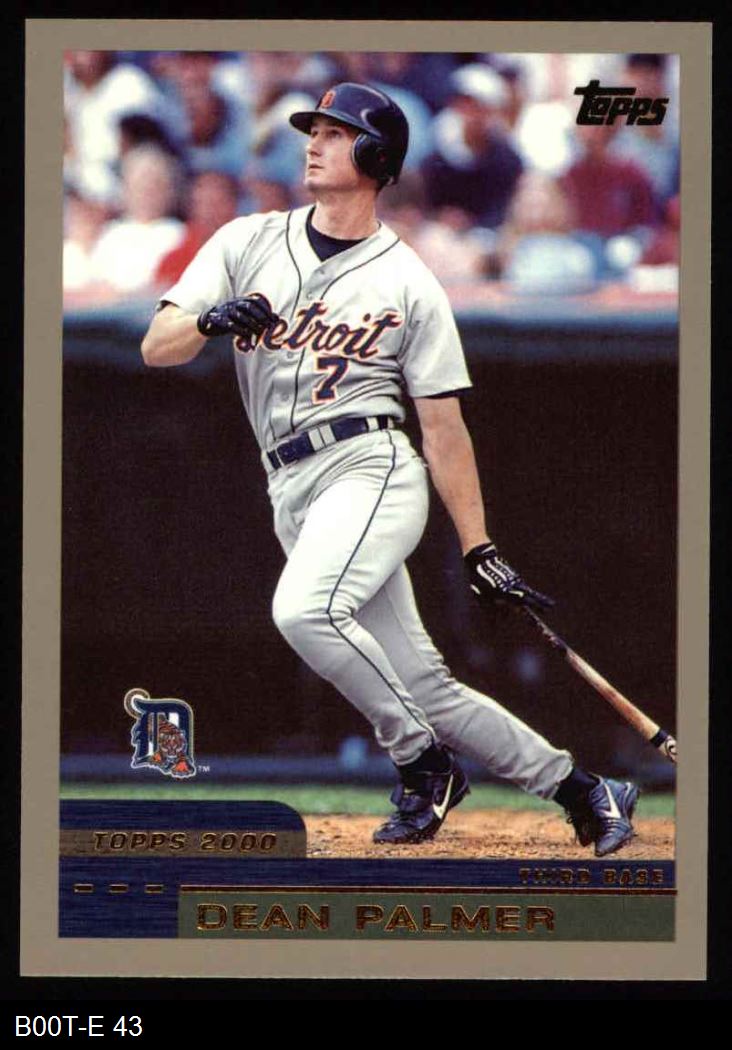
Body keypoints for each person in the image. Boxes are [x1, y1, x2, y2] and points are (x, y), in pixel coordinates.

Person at [140, 82, 639, 854]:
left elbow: (443, 426)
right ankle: (585, 790)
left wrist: (477, 544)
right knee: (427, 687)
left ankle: (420, 763)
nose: (313, 143)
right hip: (289, 482)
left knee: (304, 611)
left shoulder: (408, 279)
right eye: (313, 131)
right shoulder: (248, 241)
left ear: (376, 156)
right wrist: (208, 320)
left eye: (335, 133)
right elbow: (156, 345)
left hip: (369, 465)